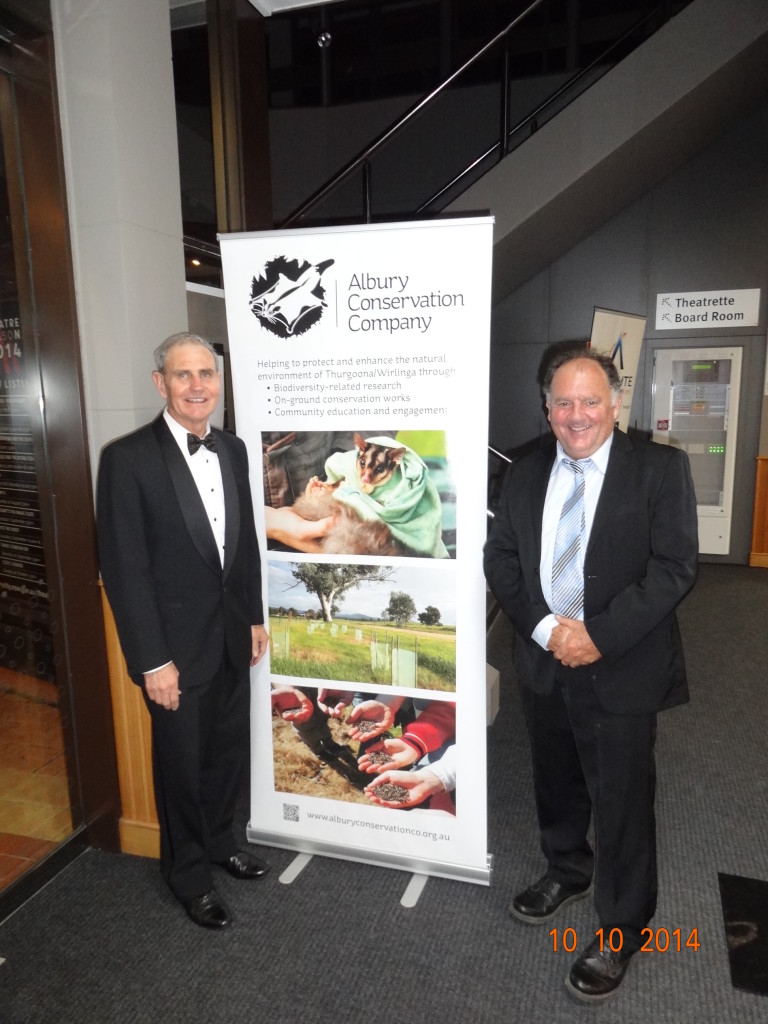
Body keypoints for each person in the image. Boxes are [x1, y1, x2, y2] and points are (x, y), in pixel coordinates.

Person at [484, 345, 698, 1003]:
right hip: (545, 656)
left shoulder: (660, 469)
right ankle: (567, 868)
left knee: (624, 800)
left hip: (622, 663)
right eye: (564, 403)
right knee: (556, 778)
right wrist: (548, 630)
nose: (577, 415)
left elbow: (674, 568)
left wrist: (596, 636)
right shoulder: (522, 469)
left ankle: (624, 927)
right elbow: (503, 560)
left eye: (590, 401)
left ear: (614, 405)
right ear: (548, 410)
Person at [96, 331, 270, 930]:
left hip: (228, 637)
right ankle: (189, 875)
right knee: (181, 768)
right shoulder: (127, 459)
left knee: (225, 756)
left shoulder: (235, 449)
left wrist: (251, 618)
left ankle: (222, 843)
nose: (198, 386)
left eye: (206, 375)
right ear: (161, 384)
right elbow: (125, 571)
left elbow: (241, 544)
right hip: (172, 655)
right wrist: (151, 662)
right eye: (183, 375)